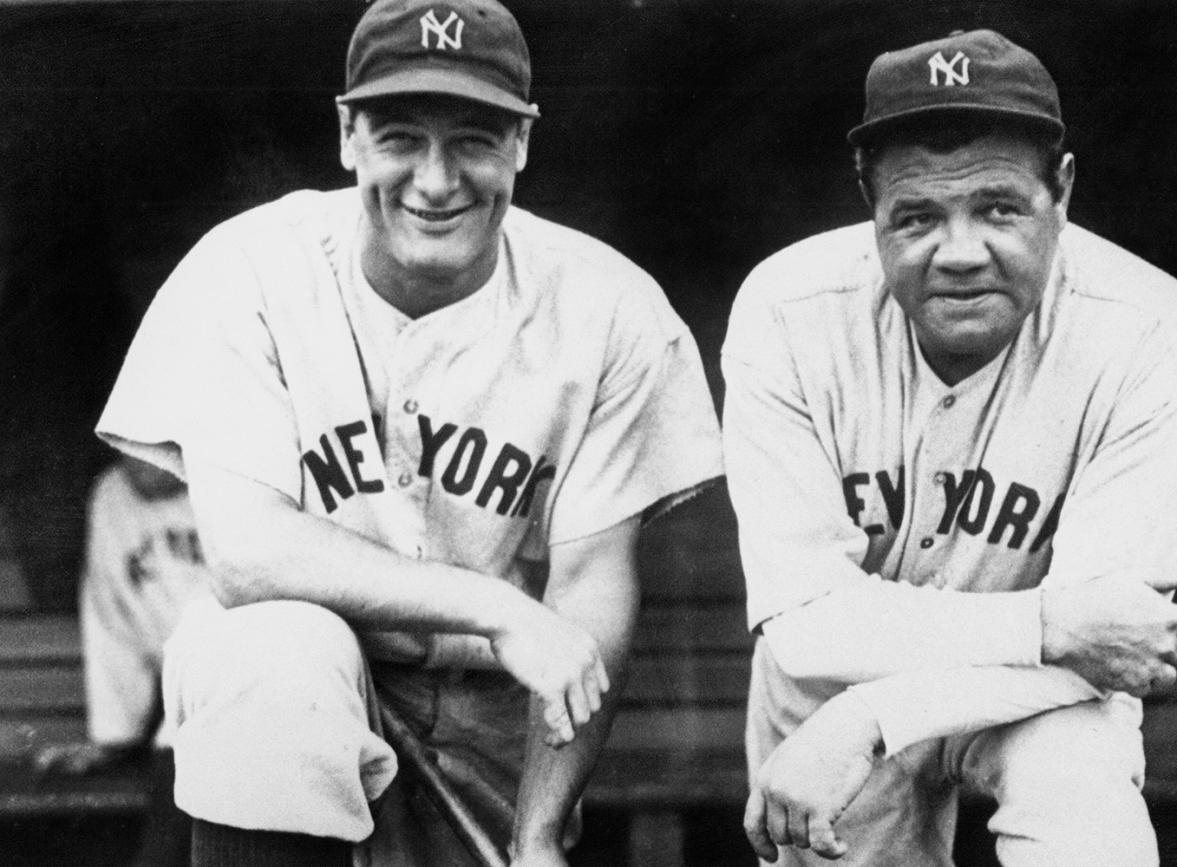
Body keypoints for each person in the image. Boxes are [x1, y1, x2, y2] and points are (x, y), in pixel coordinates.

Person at [94, 0, 723, 863]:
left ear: (522, 146)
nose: (435, 180)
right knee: (267, 648)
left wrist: (539, 835)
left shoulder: (607, 309)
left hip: (497, 710)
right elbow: (248, 555)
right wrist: (497, 607)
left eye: (473, 138)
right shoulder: (248, 270)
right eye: (399, 137)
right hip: (305, 698)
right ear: (348, 136)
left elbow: (590, 590)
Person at [722, 29, 1177, 867]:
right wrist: (1050, 621)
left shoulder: (1145, 328)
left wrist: (873, 715)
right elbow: (804, 626)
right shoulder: (788, 310)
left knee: (1078, 793)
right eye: (916, 216)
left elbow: (1116, 645)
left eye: (998, 207)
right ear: (868, 204)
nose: (958, 252)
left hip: (1033, 696)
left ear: (1061, 191)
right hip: (829, 694)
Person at [34, 455, 208, 866]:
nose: (138, 462)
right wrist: (115, 734)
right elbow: (110, 616)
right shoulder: (112, 495)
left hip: (240, 678)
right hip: (179, 695)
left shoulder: (227, 478)